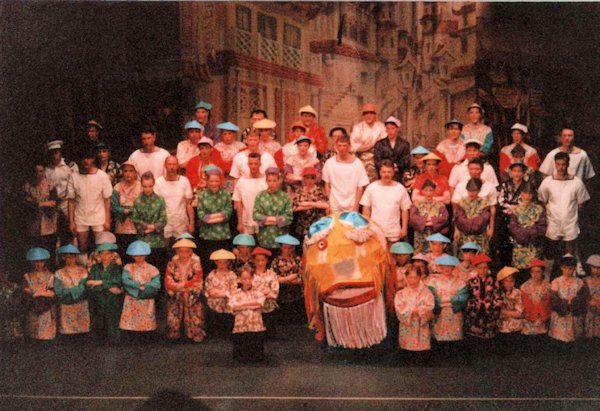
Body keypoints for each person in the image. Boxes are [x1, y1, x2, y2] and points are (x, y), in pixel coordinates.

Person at [538, 152, 590, 277]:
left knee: (569, 252)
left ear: (568, 164)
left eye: (563, 164)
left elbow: (581, 202)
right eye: (558, 164)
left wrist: (570, 214)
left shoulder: (576, 182)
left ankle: (572, 278)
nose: (561, 167)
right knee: (550, 252)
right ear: (555, 164)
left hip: (570, 223)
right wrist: (552, 213)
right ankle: (546, 278)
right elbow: (542, 200)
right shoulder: (547, 182)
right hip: (553, 222)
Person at [67, 149, 112, 258]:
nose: (85, 161)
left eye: (88, 158)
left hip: (99, 217)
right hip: (80, 216)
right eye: (83, 158)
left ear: (93, 159)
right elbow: (71, 201)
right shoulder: (74, 177)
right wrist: (71, 221)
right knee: (82, 246)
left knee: (101, 247)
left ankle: (99, 267)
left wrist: (107, 220)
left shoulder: (102, 176)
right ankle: (83, 266)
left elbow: (107, 199)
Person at [425, 256, 468, 356]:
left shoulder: (460, 282)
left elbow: (462, 298)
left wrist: (443, 299)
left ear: (453, 267)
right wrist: (451, 298)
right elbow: (431, 297)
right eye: (444, 266)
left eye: (450, 266)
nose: (447, 268)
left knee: (454, 342)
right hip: (439, 315)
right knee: (438, 340)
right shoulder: (432, 281)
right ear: (440, 267)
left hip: (454, 315)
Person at [361, 159, 412, 244]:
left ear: (393, 173)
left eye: (389, 172)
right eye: (384, 172)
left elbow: (405, 210)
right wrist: (365, 226)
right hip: (375, 232)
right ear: (380, 172)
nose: (386, 174)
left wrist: (404, 228)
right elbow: (366, 208)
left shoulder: (400, 188)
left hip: (394, 232)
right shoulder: (372, 187)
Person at [164, 238, 205, 343]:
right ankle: (174, 332)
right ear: (177, 252)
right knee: (174, 302)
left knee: (192, 302)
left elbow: (198, 279)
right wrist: (178, 287)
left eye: (187, 251)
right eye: (181, 251)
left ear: (191, 252)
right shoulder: (171, 264)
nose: (184, 254)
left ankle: (194, 333)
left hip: (191, 293)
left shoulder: (195, 264)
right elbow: (168, 280)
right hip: (176, 292)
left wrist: (184, 286)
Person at [119, 240, 161, 341]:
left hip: (146, 296)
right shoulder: (128, 267)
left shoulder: (153, 269)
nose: (139, 257)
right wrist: (138, 285)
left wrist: (145, 286)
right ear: (132, 256)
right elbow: (125, 281)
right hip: (132, 297)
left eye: (141, 255)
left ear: (145, 255)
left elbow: (156, 284)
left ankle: (146, 338)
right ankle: (131, 337)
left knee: (146, 318)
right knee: (131, 319)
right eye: (136, 255)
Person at [196, 166, 232, 274]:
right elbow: (201, 214)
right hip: (207, 235)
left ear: (220, 181)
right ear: (207, 181)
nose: (214, 183)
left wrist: (211, 217)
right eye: (211, 181)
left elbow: (228, 213)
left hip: (223, 235)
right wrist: (218, 216)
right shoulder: (202, 195)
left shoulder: (226, 194)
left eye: (216, 181)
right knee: (208, 262)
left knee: (223, 262)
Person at [508, 183, 547, 283]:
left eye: (530, 194)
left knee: (534, 274)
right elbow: (513, 229)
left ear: (533, 195)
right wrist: (528, 231)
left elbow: (542, 227)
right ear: (521, 194)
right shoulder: (515, 209)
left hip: (534, 247)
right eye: (525, 193)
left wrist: (527, 231)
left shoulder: (539, 209)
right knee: (520, 278)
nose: (527, 196)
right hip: (520, 248)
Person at [86, 242, 124, 343]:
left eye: (107, 253)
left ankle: (113, 340)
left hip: (112, 299)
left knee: (112, 320)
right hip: (98, 299)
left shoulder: (117, 268)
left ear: (112, 255)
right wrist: (109, 286)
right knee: (98, 321)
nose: (104, 256)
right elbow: (89, 283)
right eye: (102, 254)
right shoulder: (95, 267)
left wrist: (100, 282)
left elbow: (118, 281)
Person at [322, 134, 369, 213]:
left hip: (351, 204)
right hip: (334, 204)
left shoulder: (357, 163)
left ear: (349, 146)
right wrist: (329, 203)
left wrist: (356, 206)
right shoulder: (329, 163)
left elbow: (360, 187)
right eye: (339, 146)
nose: (342, 148)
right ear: (336, 146)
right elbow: (327, 185)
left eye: (344, 146)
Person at [228, 266, 266, 363]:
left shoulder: (258, 292)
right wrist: (250, 305)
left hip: (255, 326)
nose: (247, 281)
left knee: (257, 357)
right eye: (244, 279)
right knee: (240, 357)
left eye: (249, 278)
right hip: (241, 326)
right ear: (239, 279)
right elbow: (233, 306)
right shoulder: (235, 293)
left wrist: (242, 305)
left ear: (252, 278)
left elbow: (259, 304)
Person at [154, 156, 194, 247]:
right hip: (164, 222)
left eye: (174, 164)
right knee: (164, 248)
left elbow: (188, 204)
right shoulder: (158, 182)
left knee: (182, 247)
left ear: (178, 166)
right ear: (165, 166)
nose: (172, 167)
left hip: (181, 221)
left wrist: (191, 223)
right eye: (169, 164)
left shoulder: (184, 181)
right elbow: (156, 205)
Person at [131, 172, 168, 271]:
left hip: (158, 242)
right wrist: (148, 227)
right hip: (143, 241)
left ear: (154, 184)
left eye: (150, 186)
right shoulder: (137, 201)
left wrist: (154, 227)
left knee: (158, 269)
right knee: (143, 270)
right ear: (141, 185)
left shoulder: (160, 200)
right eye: (145, 186)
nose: (147, 189)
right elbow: (135, 219)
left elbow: (164, 219)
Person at [24, 162, 58, 267]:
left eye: (41, 171)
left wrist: (38, 204)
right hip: (34, 223)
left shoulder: (50, 184)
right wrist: (43, 204)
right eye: (36, 171)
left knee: (49, 248)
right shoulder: (28, 186)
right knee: (36, 248)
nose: (38, 174)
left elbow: (53, 203)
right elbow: (28, 205)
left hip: (49, 222)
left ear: (44, 171)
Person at [45, 139, 78, 249]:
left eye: (56, 152)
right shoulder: (47, 169)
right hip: (54, 203)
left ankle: (73, 253)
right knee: (55, 231)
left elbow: (76, 184)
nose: (54, 155)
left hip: (67, 202)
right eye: (52, 153)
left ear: (60, 152)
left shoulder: (70, 166)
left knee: (71, 229)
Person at [394, 265, 435, 353]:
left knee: (422, 351)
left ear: (420, 277)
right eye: (410, 277)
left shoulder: (427, 293)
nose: (412, 281)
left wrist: (420, 311)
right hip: (407, 326)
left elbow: (430, 306)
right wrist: (412, 310)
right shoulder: (400, 294)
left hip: (421, 326)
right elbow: (399, 308)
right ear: (406, 277)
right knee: (407, 351)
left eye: (415, 278)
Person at [549, 254, 588, 343]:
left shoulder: (579, 282)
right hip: (560, 315)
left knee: (574, 340)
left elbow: (581, 298)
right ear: (561, 267)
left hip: (574, 314)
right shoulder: (556, 281)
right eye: (565, 268)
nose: (567, 271)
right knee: (559, 340)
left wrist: (572, 303)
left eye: (570, 268)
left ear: (574, 268)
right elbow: (554, 298)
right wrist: (565, 304)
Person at [54, 244, 90, 340]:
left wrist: (72, 292)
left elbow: (86, 287)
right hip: (66, 307)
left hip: (81, 306)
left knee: (82, 336)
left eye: (72, 256)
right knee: (67, 336)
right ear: (63, 258)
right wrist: (74, 292)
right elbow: (59, 291)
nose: (70, 259)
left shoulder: (83, 271)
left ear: (76, 257)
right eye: (67, 257)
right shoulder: (59, 273)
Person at [465, 254, 503, 341]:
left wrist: (490, 305)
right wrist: (473, 304)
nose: (482, 270)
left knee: (489, 340)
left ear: (488, 268)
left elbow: (499, 298)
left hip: (490, 314)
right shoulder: (471, 282)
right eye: (480, 268)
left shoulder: (494, 282)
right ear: (475, 268)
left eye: (485, 267)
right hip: (474, 314)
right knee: (474, 340)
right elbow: (467, 297)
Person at [253, 168, 293, 251]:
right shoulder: (260, 196)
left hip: (281, 237)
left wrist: (269, 220)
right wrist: (275, 220)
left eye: (274, 181)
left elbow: (289, 217)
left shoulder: (285, 196)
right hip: (264, 237)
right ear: (266, 181)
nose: (272, 183)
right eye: (269, 181)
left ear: (279, 181)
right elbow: (255, 215)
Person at [23, 247, 56, 341]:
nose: (38, 264)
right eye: (35, 261)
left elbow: (53, 293)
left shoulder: (50, 276)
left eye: (41, 261)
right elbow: (25, 289)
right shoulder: (27, 276)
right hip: (33, 307)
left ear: (44, 262)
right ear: (32, 262)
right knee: (33, 334)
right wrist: (32, 292)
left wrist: (41, 293)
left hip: (46, 308)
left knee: (46, 335)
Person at [409, 179, 450, 254]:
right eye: (426, 190)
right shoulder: (416, 204)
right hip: (420, 236)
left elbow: (445, 218)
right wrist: (426, 220)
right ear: (422, 191)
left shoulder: (440, 205)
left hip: (435, 236)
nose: (428, 193)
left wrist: (431, 221)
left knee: (435, 255)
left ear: (434, 192)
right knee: (420, 256)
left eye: (431, 190)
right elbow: (412, 218)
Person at [453, 178, 492, 254]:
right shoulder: (462, 201)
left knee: (479, 256)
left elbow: (484, 219)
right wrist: (457, 230)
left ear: (479, 191)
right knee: (465, 255)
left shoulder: (485, 203)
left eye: (474, 191)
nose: (471, 193)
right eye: (469, 191)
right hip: (464, 234)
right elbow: (458, 217)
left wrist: (470, 224)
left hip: (479, 235)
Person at [233, 152, 268, 236]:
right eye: (251, 163)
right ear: (248, 164)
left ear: (260, 164)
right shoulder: (242, 181)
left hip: (263, 222)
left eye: (255, 163)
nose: (253, 166)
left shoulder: (266, 181)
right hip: (246, 222)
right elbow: (239, 203)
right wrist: (240, 222)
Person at [350, 103, 386, 182]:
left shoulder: (382, 127)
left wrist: (362, 145)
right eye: (365, 113)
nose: (368, 115)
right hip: (360, 160)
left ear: (376, 115)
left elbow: (383, 146)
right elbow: (353, 147)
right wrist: (373, 144)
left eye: (371, 113)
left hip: (377, 161)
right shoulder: (357, 127)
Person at [205, 249, 238, 336]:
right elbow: (209, 290)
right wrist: (224, 293)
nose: (222, 264)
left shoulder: (232, 275)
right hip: (213, 302)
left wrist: (219, 292)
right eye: (220, 262)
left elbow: (233, 291)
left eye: (225, 262)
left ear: (228, 263)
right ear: (216, 262)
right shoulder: (211, 275)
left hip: (227, 303)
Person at [271, 234, 303, 322]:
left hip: (296, 288)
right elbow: (273, 277)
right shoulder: (276, 261)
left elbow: (302, 275)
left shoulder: (297, 260)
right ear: (281, 247)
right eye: (285, 247)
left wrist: (295, 281)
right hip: (281, 289)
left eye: (289, 248)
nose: (287, 250)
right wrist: (288, 279)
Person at [291, 166, 329, 240]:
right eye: (307, 178)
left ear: (315, 179)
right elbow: (294, 208)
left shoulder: (319, 191)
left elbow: (326, 205)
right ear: (303, 179)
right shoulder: (300, 191)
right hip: (302, 226)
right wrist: (316, 204)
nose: (309, 180)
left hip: (316, 225)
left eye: (312, 178)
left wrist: (309, 204)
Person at [111, 161, 142, 252]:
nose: (128, 173)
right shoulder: (117, 187)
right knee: (123, 252)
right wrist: (124, 211)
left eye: (131, 171)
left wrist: (131, 210)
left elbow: (144, 205)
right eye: (125, 171)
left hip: (137, 227)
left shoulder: (141, 186)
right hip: (121, 227)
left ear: (135, 173)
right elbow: (114, 206)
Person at [251, 247, 279, 337]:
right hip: (253, 306)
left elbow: (274, 292)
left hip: (268, 307)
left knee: (270, 335)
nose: (260, 263)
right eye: (257, 260)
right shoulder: (250, 274)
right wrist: (264, 292)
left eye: (262, 260)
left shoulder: (271, 274)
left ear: (266, 261)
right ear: (253, 261)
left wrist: (262, 293)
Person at [373, 116, 410, 182]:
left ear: (397, 129)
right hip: (383, 175)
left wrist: (395, 167)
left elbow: (406, 161)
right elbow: (377, 161)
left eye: (392, 128)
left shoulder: (404, 144)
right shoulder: (379, 144)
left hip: (399, 176)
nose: (390, 131)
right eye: (388, 128)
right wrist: (387, 168)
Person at [520, 259, 551, 337]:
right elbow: (525, 305)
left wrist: (543, 317)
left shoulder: (548, 286)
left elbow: (549, 303)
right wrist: (533, 317)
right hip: (529, 322)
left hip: (543, 321)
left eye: (538, 271)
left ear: (543, 272)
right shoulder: (524, 286)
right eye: (533, 272)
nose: (535, 274)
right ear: (530, 273)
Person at [214, 122, 245, 191]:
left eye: (229, 133)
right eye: (225, 134)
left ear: (234, 134)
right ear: (221, 135)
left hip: (236, 176)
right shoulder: (217, 147)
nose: (227, 136)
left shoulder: (241, 146)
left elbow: (242, 162)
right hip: (221, 175)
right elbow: (215, 162)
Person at [497, 267, 524, 342]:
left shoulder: (518, 292)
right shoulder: (498, 293)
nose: (509, 283)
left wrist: (505, 312)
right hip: (502, 328)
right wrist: (512, 312)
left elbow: (520, 313)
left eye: (511, 281)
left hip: (516, 328)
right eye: (506, 281)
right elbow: (497, 313)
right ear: (502, 282)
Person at [584, 254, 600, 339]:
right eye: (594, 267)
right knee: (589, 336)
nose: (596, 270)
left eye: (599, 268)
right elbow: (583, 296)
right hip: (589, 312)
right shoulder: (585, 280)